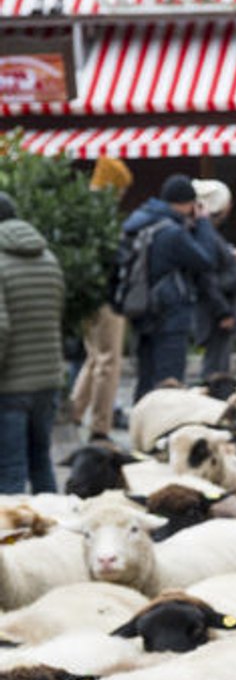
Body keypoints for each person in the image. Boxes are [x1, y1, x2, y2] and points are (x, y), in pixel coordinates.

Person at [125, 173, 221, 399]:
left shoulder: (139, 221)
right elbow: (206, 259)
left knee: (146, 377)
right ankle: (164, 430)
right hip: (170, 313)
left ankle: (142, 424)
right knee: (169, 382)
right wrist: (204, 222)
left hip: (142, 307)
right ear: (186, 203)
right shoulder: (171, 233)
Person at [0, 192, 65, 494]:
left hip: (10, 385)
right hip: (48, 380)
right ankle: (55, 534)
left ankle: (10, 540)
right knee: (41, 462)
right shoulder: (48, 259)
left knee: (10, 471)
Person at [68, 156, 132, 440]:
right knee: (108, 361)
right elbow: (114, 258)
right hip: (107, 297)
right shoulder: (103, 215)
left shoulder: (79, 211)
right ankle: (100, 425)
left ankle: (74, 412)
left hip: (87, 295)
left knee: (94, 358)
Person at [192, 178, 236, 380]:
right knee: (215, 371)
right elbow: (207, 279)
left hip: (217, 309)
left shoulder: (207, 234)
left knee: (218, 365)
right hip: (217, 313)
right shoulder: (207, 236)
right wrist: (223, 312)